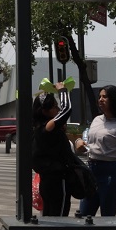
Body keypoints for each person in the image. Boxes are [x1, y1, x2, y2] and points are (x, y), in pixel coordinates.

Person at [75, 85, 116, 216]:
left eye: (105, 97)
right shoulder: (97, 120)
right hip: (92, 170)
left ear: (114, 100)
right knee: (84, 215)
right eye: (100, 96)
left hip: (111, 173)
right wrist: (79, 143)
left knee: (107, 216)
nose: (101, 99)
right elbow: (93, 146)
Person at [32, 81, 74, 216]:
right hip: (57, 179)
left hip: (47, 179)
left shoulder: (40, 127)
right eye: (55, 107)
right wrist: (62, 91)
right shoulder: (48, 127)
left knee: (50, 215)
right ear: (45, 111)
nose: (58, 110)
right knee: (59, 216)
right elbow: (67, 109)